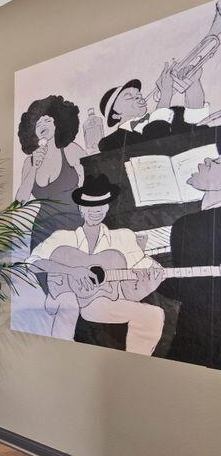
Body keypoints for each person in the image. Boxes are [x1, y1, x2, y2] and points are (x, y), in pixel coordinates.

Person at [27, 174, 165, 354]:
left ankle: (135, 364)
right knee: (70, 302)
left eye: (100, 204)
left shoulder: (122, 237)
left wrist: (152, 278)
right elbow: (32, 263)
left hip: (100, 302)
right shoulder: (63, 238)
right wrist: (71, 271)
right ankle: (60, 357)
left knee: (154, 314)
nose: (95, 210)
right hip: (64, 296)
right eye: (89, 205)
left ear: (107, 207)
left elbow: (143, 266)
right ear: (80, 208)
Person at [96, 2, 220, 152]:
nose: (139, 97)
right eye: (128, 96)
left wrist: (194, 83)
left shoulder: (170, 112)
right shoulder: (110, 143)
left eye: (138, 94)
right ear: (115, 115)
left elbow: (197, 121)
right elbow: (154, 144)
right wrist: (165, 95)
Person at [164, 155, 221, 368]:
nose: (205, 160)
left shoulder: (188, 224)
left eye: (215, 163)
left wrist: (153, 277)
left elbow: (188, 287)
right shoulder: (188, 223)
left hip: (200, 335)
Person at [14, 95, 85, 250]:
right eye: (38, 123)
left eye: (47, 120)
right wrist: (34, 167)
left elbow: (92, 176)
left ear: (58, 124)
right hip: (42, 230)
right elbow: (21, 200)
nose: (42, 125)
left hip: (72, 222)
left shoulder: (70, 150)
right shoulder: (30, 161)